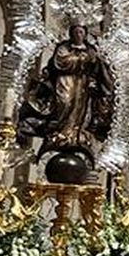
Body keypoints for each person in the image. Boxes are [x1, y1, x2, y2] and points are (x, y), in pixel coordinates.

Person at [16, 22, 115, 157]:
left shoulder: (90, 49)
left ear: (85, 34)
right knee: (65, 103)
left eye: (81, 32)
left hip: (83, 84)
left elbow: (97, 67)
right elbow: (60, 62)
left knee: (80, 108)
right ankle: (61, 132)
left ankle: (75, 134)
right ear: (71, 34)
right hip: (65, 81)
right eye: (76, 32)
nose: (78, 35)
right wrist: (80, 59)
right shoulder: (63, 47)